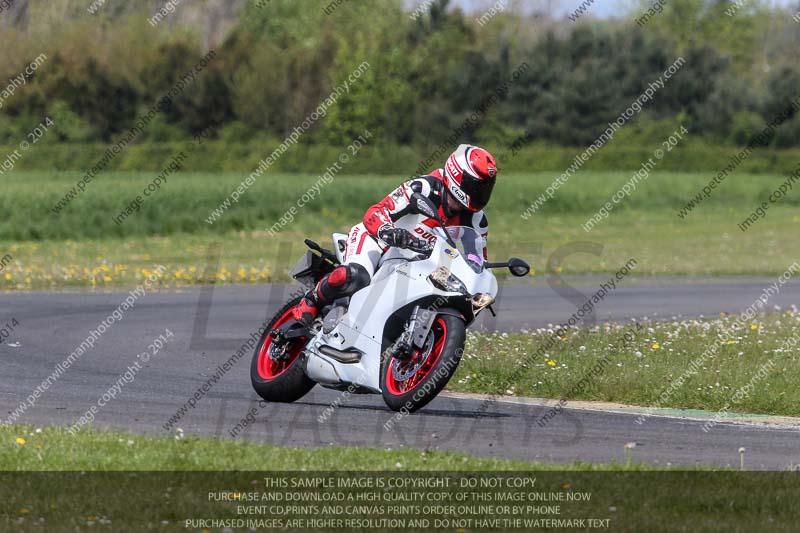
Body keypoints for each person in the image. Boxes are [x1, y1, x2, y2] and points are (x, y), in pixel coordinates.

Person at [292, 143, 497, 325]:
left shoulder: (477, 219)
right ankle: (312, 299)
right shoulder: (423, 188)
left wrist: (480, 282)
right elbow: (375, 213)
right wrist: (389, 232)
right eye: (475, 186)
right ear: (456, 176)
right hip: (378, 242)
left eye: (485, 188)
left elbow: (477, 258)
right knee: (356, 277)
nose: (480, 194)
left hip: (417, 263)